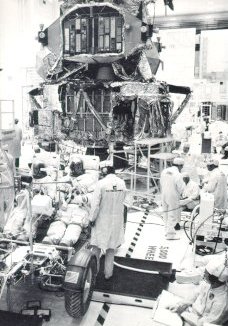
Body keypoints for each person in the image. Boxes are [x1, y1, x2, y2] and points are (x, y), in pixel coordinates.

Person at [168, 251, 228, 325]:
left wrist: (183, 314)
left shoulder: (222, 300)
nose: (203, 274)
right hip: (192, 315)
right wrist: (179, 305)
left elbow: (208, 322)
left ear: (213, 279)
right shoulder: (207, 284)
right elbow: (194, 295)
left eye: (205, 274)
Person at [89, 160, 126, 279]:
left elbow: (95, 205)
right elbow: (124, 201)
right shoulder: (122, 183)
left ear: (104, 171)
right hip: (116, 221)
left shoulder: (101, 184)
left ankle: (94, 274)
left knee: (96, 248)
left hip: (102, 221)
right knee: (111, 249)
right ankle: (108, 275)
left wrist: (91, 219)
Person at [160, 157, 186, 240]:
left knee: (166, 213)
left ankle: (167, 230)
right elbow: (181, 188)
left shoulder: (164, 171)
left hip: (163, 194)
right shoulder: (178, 174)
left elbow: (161, 182)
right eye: (182, 166)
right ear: (180, 166)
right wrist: (182, 194)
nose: (181, 168)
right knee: (172, 214)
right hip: (173, 195)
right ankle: (170, 235)